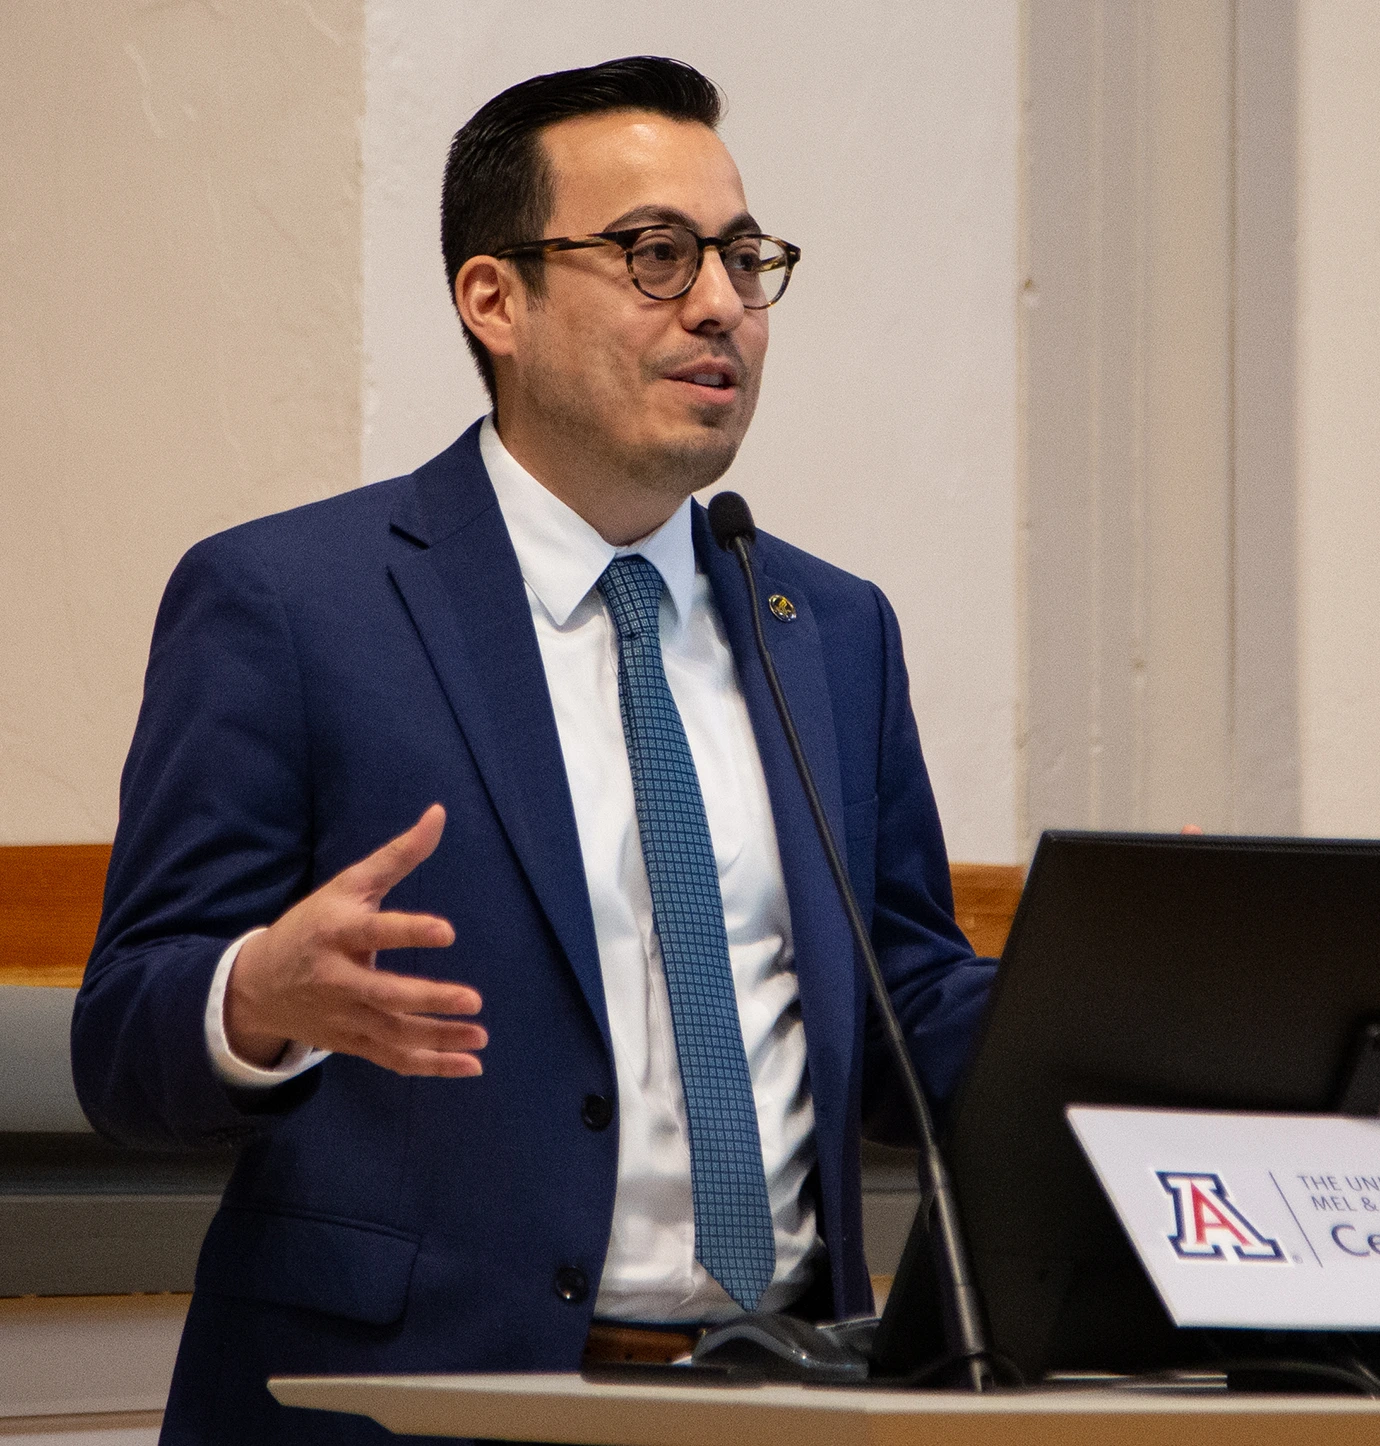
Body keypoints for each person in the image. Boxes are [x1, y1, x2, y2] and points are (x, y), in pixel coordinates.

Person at [70, 57, 992, 1444]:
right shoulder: (292, 603)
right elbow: (123, 1036)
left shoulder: (828, 626)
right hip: (409, 1401)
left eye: (744, 258)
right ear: (492, 297)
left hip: (800, 1395)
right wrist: (256, 992)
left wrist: (1121, 1000)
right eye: (655, 255)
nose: (722, 304)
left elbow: (901, 1007)